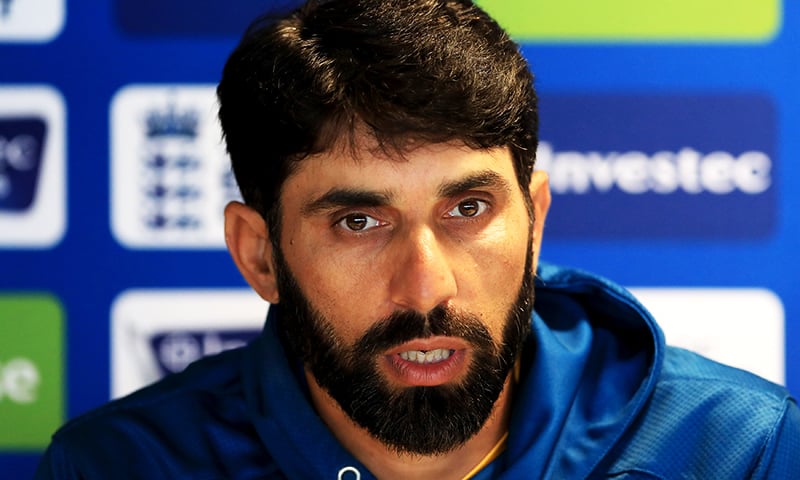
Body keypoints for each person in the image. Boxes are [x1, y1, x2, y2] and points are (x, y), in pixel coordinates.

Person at [36, 0, 800, 478]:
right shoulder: (121, 466)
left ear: (533, 221)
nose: (427, 287)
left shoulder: (741, 452)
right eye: (358, 222)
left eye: (467, 209)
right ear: (259, 254)